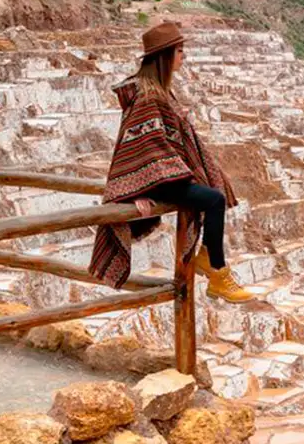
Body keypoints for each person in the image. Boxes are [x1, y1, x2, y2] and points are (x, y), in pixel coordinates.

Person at [89, 22, 255, 303]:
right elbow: (140, 145)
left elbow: (152, 141)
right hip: (159, 180)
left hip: (163, 176)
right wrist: (139, 190)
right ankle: (217, 271)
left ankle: (210, 262)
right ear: (165, 55)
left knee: (211, 197)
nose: (184, 57)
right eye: (180, 51)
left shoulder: (157, 90)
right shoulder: (148, 95)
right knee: (213, 199)